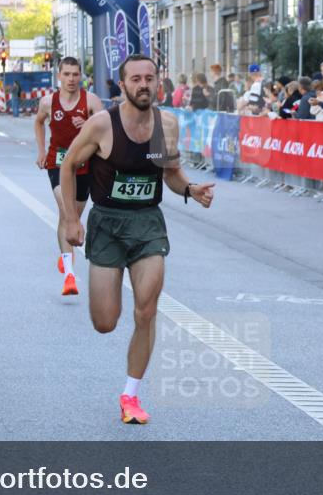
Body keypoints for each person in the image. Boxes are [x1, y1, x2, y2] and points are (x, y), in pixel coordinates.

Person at [59, 54, 214, 425]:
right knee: (105, 322)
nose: (144, 84)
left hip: (147, 224)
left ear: (158, 82)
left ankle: (131, 394)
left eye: (150, 78)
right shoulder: (101, 126)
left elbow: (170, 174)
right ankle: (122, 358)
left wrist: (190, 190)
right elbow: (68, 165)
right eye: (136, 79)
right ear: (123, 84)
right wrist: (70, 219)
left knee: (146, 310)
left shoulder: (167, 124)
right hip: (108, 223)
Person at [34, 56, 105, 296]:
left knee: (71, 218)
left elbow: (106, 130)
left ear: (81, 77)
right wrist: (42, 150)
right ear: (59, 76)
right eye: (67, 74)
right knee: (67, 212)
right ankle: (69, 275)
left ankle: (64, 258)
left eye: (76, 74)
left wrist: (87, 123)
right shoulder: (48, 102)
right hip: (58, 162)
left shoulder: (91, 101)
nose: (71, 79)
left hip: (84, 164)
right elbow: (38, 123)